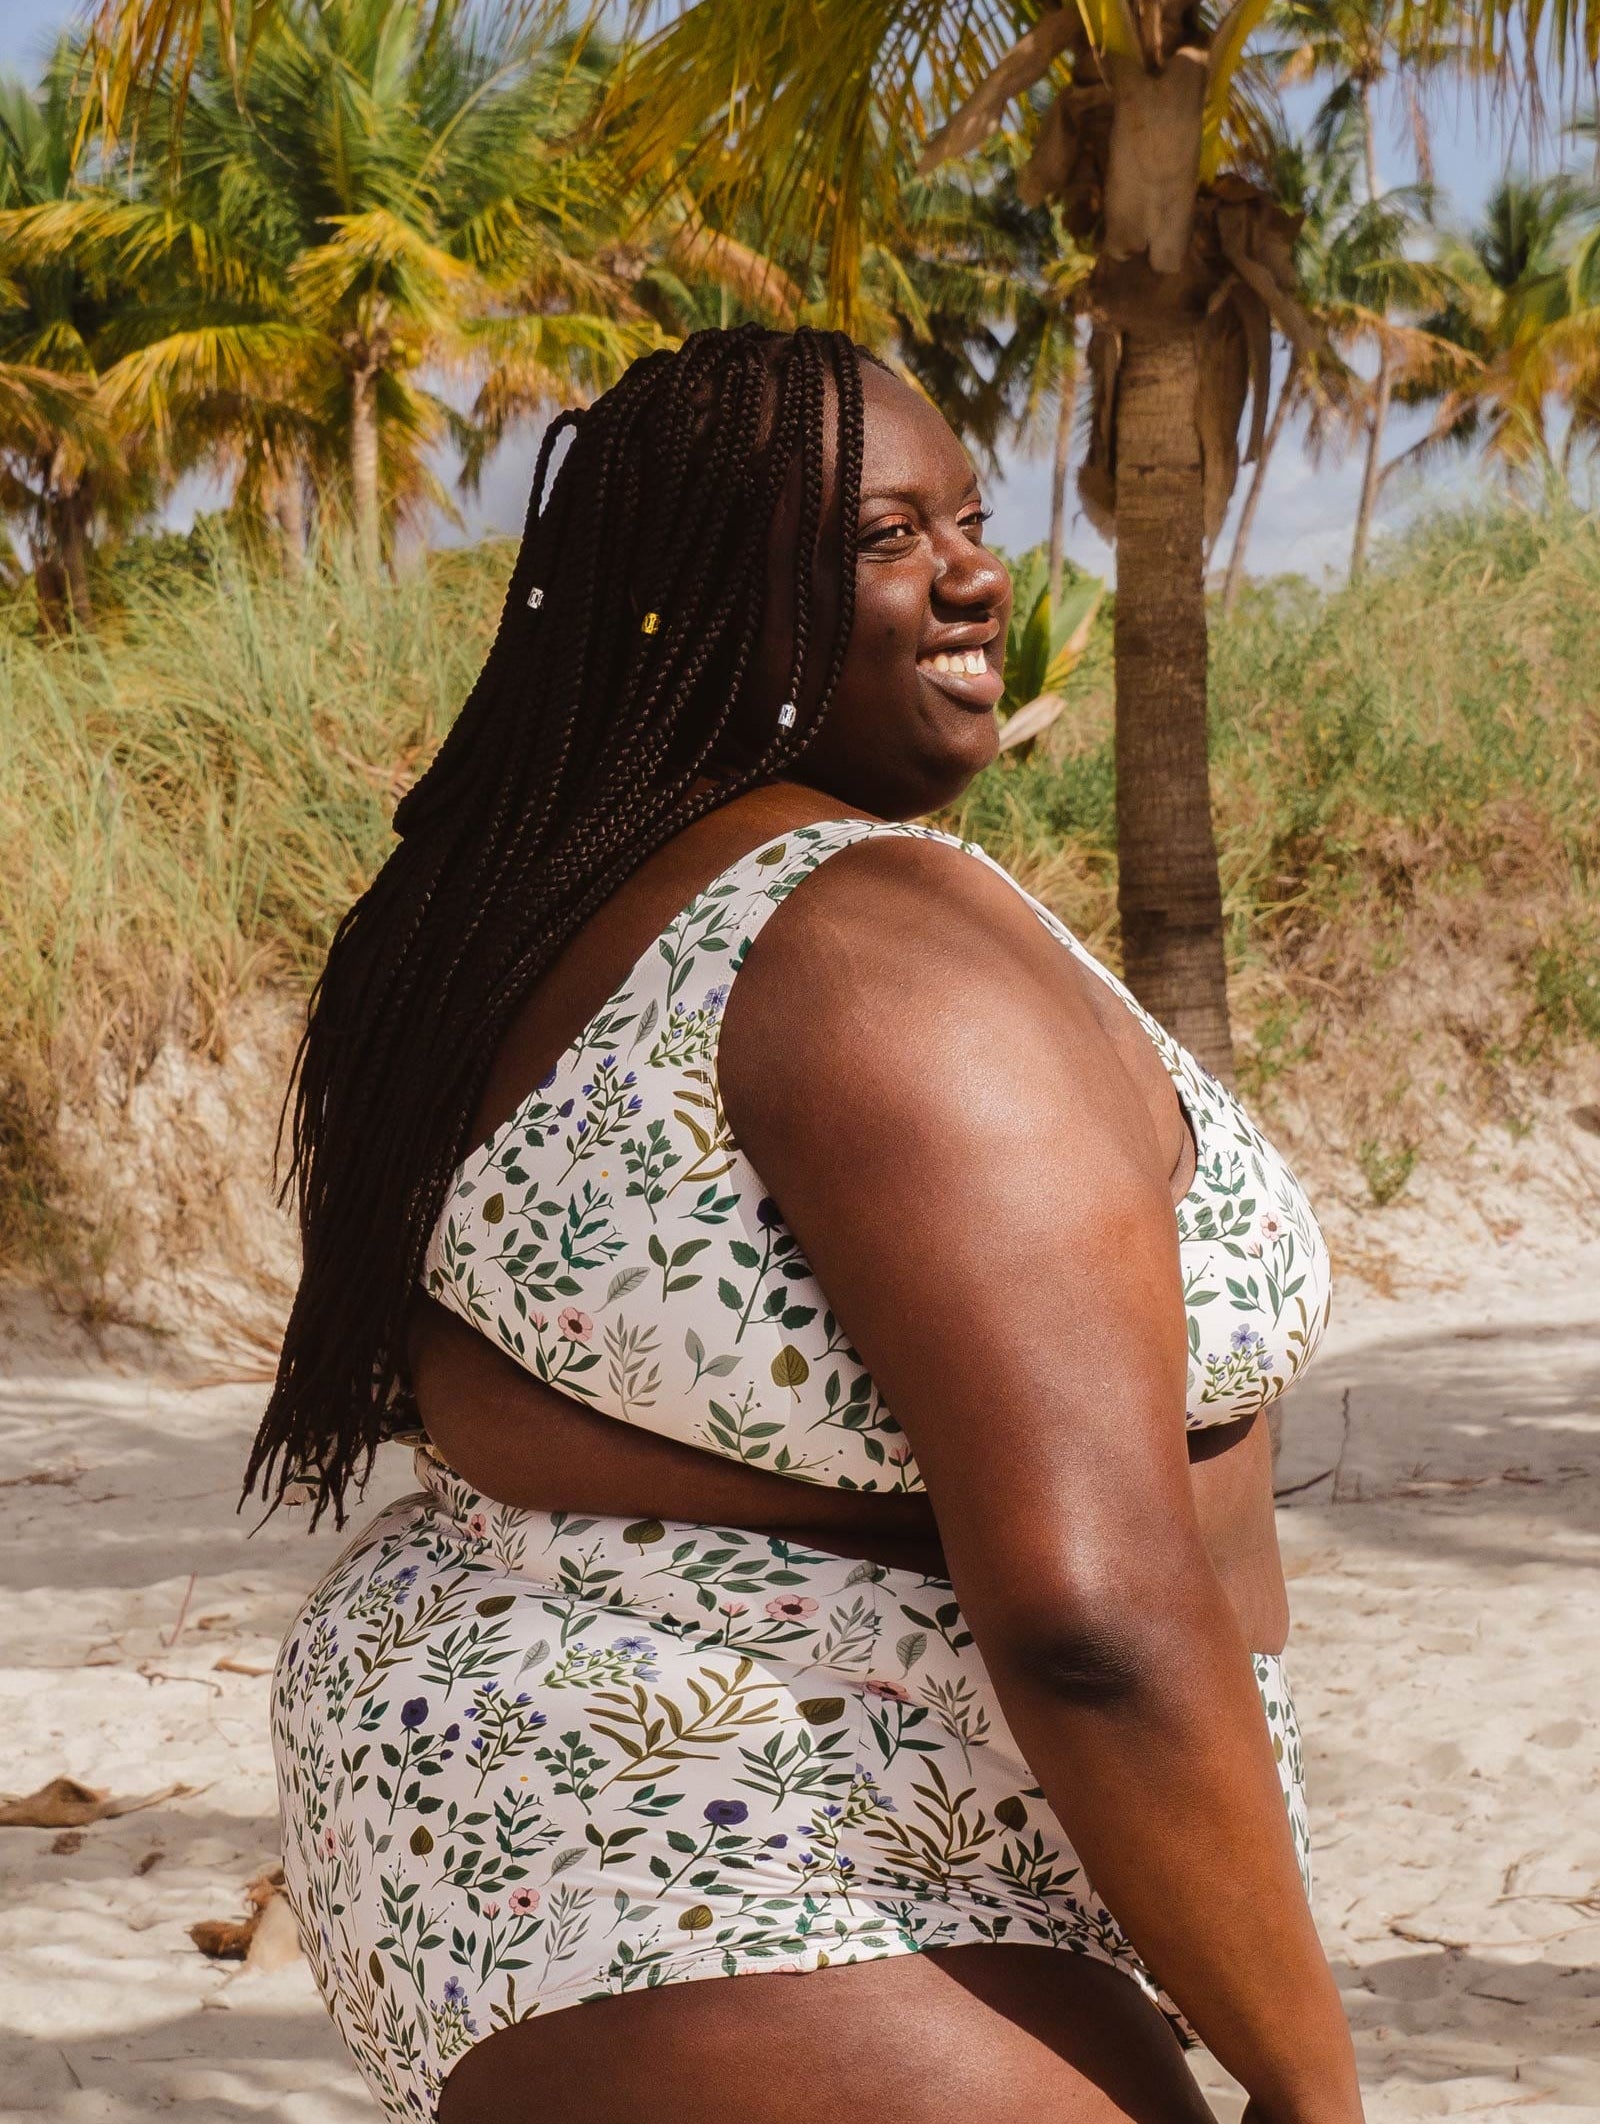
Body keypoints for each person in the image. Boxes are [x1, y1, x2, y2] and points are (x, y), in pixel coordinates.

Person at [251, 325, 1359, 2124]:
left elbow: (486, 1381)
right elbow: (1086, 1612)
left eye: (970, 520)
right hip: (771, 1842)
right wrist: (1316, 2089)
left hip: (517, 1835)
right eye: (880, 538)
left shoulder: (531, 914)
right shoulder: (875, 949)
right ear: (691, 600)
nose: (975, 574)